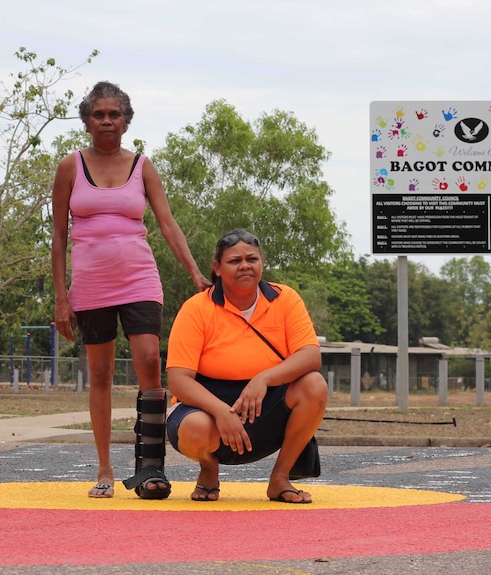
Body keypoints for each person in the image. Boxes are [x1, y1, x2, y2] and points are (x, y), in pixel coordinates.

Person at [51, 81, 210, 500]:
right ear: (87, 121)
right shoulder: (70, 167)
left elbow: (167, 223)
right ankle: (104, 468)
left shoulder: (142, 166)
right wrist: (60, 297)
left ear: (126, 121)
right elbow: (57, 237)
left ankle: (150, 465)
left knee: (148, 366)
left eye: (114, 114)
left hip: (138, 277)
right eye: (99, 114)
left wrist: (194, 271)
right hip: (90, 284)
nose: (107, 121)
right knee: (100, 374)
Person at [165, 229, 328, 504]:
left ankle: (280, 479)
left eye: (252, 259)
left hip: (265, 407)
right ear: (217, 268)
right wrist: (220, 411)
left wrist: (263, 379)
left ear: (261, 263)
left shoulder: (285, 298)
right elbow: (179, 380)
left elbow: (311, 355)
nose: (245, 265)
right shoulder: (195, 308)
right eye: (234, 260)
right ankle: (208, 469)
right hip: (208, 409)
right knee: (194, 428)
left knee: (314, 385)